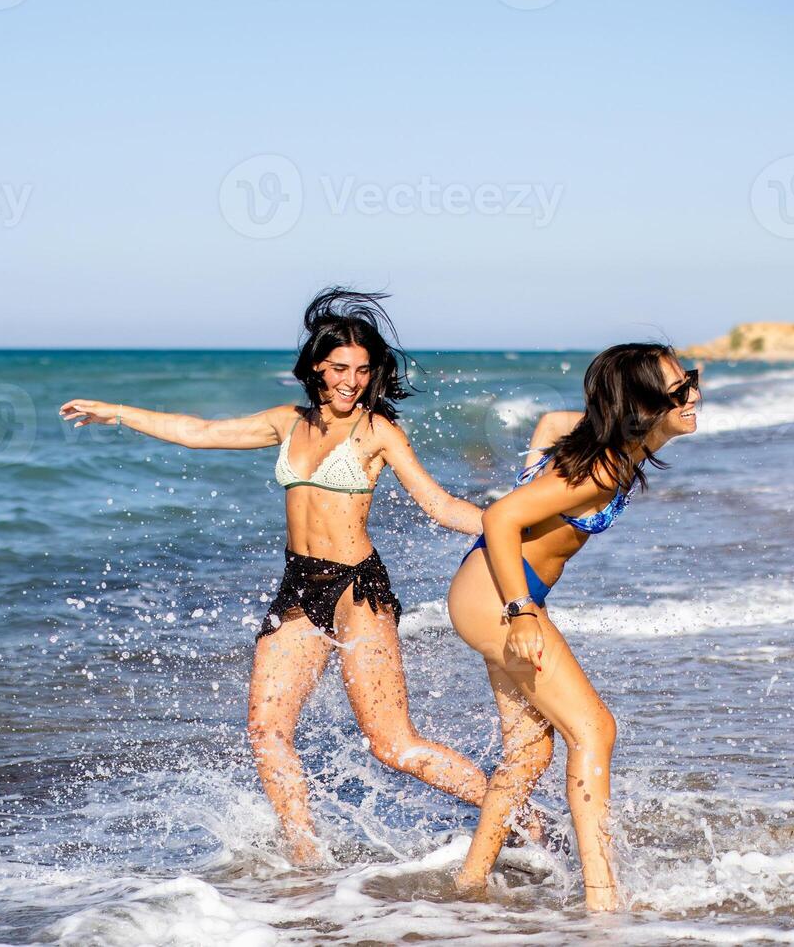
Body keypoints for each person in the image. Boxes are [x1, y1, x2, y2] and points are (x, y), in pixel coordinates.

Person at [59, 289, 495, 866]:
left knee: (392, 744)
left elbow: (439, 506)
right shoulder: (286, 422)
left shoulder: (378, 432)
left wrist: (511, 523)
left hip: (355, 590)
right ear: (317, 366)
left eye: (362, 371)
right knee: (267, 731)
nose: (352, 381)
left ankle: (517, 811)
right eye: (340, 368)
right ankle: (306, 859)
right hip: (298, 586)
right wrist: (115, 412)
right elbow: (200, 432)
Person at [446, 343, 699, 911]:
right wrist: (522, 611)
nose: (692, 396)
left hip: (488, 588)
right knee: (594, 730)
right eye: (678, 390)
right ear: (640, 402)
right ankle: (603, 900)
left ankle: (469, 880)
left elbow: (551, 421)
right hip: (498, 599)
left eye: (691, 382)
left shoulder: (612, 442)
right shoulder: (604, 465)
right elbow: (501, 516)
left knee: (530, 751)